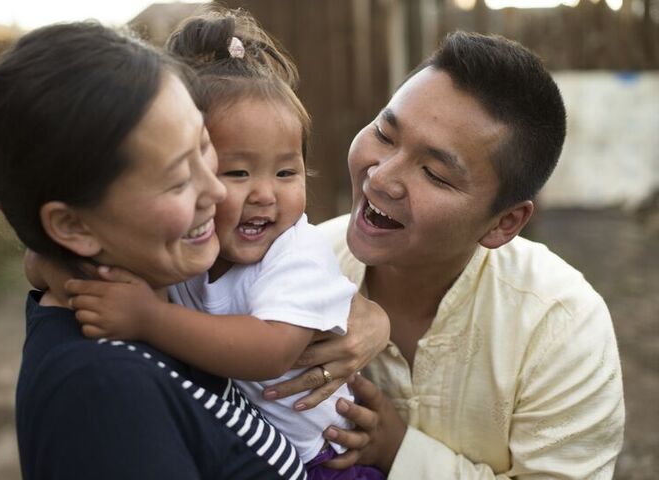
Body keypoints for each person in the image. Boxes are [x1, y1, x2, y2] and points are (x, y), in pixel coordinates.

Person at [0, 22, 387, 479]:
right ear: (72, 227)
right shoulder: (104, 389)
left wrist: (376, 317)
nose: (215, 190)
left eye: (205, 153)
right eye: (178, 179)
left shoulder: (143, 293)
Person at [266, 32, 625, 478]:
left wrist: (399, 451)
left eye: (434, 174)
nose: (381, 179)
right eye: (384, 133)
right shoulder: (297, 262)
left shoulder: (559, 326)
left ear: (504, 223)